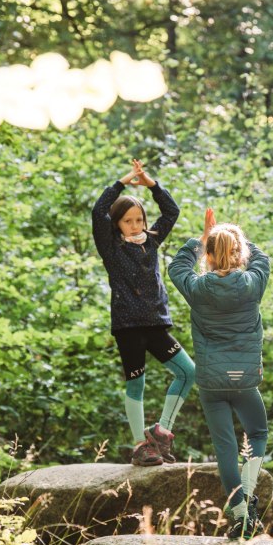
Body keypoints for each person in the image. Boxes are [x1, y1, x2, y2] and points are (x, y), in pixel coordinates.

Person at [167, 208, 271, 540]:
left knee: (225, 447)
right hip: (245, 379)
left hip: (211, 381)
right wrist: (234, 239)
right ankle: (249, 497)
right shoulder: (253, 284)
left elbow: (176, 265)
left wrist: (203, 238)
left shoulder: (197, 288)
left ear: (209, 256)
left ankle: (240, 512)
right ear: (240, 253)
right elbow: (261, 257)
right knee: (257, 432)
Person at [91, 159, 195, 466]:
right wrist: (122, 182)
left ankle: (160, 432)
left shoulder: (151, 241)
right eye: (128, 221)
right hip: (128, 324)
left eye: (139, 220)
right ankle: (140, 445)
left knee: (188, 372)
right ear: (117, 224)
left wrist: (150, 184)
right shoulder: (111, 248)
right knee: (137, 383)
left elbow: (171, 211)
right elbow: (98, 211)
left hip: (155, 323)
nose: (135, 225)